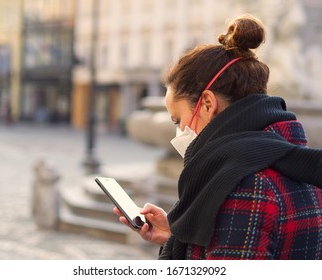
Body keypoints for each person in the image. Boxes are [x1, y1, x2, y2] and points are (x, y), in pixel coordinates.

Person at [114, 14, 322, 260]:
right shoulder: (293, 161)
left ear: (207, 104)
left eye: (177, 120)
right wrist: (176, 239)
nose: (178, 132)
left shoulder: (243, 182)